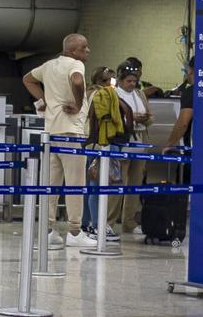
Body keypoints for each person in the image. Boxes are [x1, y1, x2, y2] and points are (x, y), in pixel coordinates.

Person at [21, 33, 95, 247]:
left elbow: (27, 79)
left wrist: (43, 99)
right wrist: (79, 104)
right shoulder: (76, 64)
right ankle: (75, 232)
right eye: (84, 47)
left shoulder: (48, 65)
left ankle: (48, 230)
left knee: (50, 184)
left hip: (51, 133)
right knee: (75, 184)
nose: (88, 50)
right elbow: (77, 81)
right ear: (72, 51)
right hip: (72, 133)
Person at [81, 66, 125, 242]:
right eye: (111, 80)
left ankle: (86, 223)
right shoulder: (103, 94)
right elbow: (105, 119)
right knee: (98, 186)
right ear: (101, 81)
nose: (113, 83)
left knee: (89, 185)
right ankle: (97, 225)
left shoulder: (86, 93)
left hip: (87, 142)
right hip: (101, 143)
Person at [114, 63, 153, 235]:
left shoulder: (139, 94)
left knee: (135, 185)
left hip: (140, 140)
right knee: (117, 184)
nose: (132, 84)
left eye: (134, 81)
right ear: (120, 80)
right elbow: (111, 118)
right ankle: (109, 221)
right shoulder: (113, 94)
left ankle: (129, 222)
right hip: (122, 141)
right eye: (128, 81)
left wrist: (146, 118)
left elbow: (150, 116)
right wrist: (131, 118)